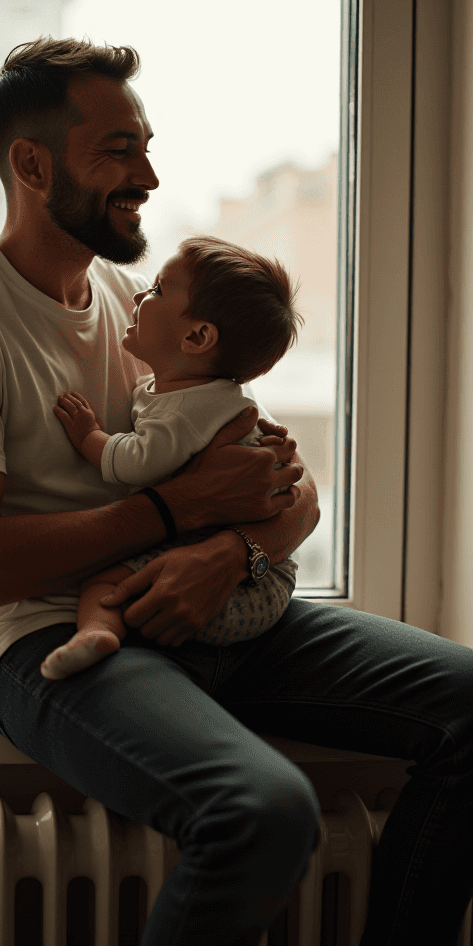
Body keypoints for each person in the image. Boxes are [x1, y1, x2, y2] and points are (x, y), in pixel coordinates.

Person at [0, 36, 473, 946]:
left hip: (210, 604)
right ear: (31, 165)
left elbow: (295, 499)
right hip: (49, 636)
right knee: (263, 813)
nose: (147, 173)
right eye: (118, 149)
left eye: (146, 144)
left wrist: (229, 552)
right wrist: (176, 513)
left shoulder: (136, 305)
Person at [40, 235, 303, 681]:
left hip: (241, 591)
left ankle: (97, 633)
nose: (141, 295)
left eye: (158, 290)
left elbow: (137, 462)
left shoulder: (187, 411)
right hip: (265, 574)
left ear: (198, 337)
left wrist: (90, 436)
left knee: (104, 584)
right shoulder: (211, 395)